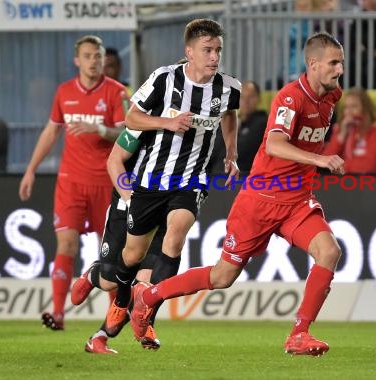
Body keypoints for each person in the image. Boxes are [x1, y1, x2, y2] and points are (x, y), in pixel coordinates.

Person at [130, 31, 345, 356]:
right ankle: (150, 295)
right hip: (260, 201)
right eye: (333, 63)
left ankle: (299, 334)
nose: (339, 69)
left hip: (297, 201)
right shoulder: (290, 98)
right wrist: (320, 159)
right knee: (222, 276)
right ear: (313, 64)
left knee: (329, 252)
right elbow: (274, 143)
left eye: (341, 63)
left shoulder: (332, 96)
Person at [106, 18, 241, 340]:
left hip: (192, 180)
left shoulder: (228, 87)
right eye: (207, 50)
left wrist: (231, 154)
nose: (214, 57)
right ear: (189, 52)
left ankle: (147, 313)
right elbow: (131, 117)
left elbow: (230, 115)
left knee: (176, 234)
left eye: (218, 50)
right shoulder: (164, 79)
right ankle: (122, 301)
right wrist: (165, 123)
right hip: (151, 180)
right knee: (132, 255)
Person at [18, 35, 127, 331]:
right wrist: (30, 170)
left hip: (106, 182)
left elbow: (128, 134)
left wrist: (99, 128)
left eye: (98, 56)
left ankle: (114, 318)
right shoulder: (64, 92)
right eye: (88, 56)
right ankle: (57, 313)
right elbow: (51, 132)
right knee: (65, 243)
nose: (94, 61)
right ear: (77, 60)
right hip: (71, 181)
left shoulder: (117, 93)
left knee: (109, 251)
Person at [71, 129, 169, 353]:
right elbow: (114, 161)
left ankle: (121, 332)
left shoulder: (190, 130)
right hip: (125, 207)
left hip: (160, 208)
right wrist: (129, 198)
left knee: (145, 282)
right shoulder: (140, 124)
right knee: (109, 281)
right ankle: (94, 274)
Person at [322, 87, 376, 173]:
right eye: (347, 107)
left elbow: (372, 166)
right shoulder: (340, 129)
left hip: (370, 182)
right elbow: (326, 161)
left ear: (365, 109)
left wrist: (343, 168)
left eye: (354, 106)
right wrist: (341, 136)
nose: (349, 112)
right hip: (342, 183)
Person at [209, 80, 268, 174]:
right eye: (242, 97)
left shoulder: (262, 122)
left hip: (243, 175)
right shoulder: (229, 121)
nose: (246, 101)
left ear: (258, 98)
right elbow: (213, 149)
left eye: (251, 97)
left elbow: (245, 149)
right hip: (215, 175)